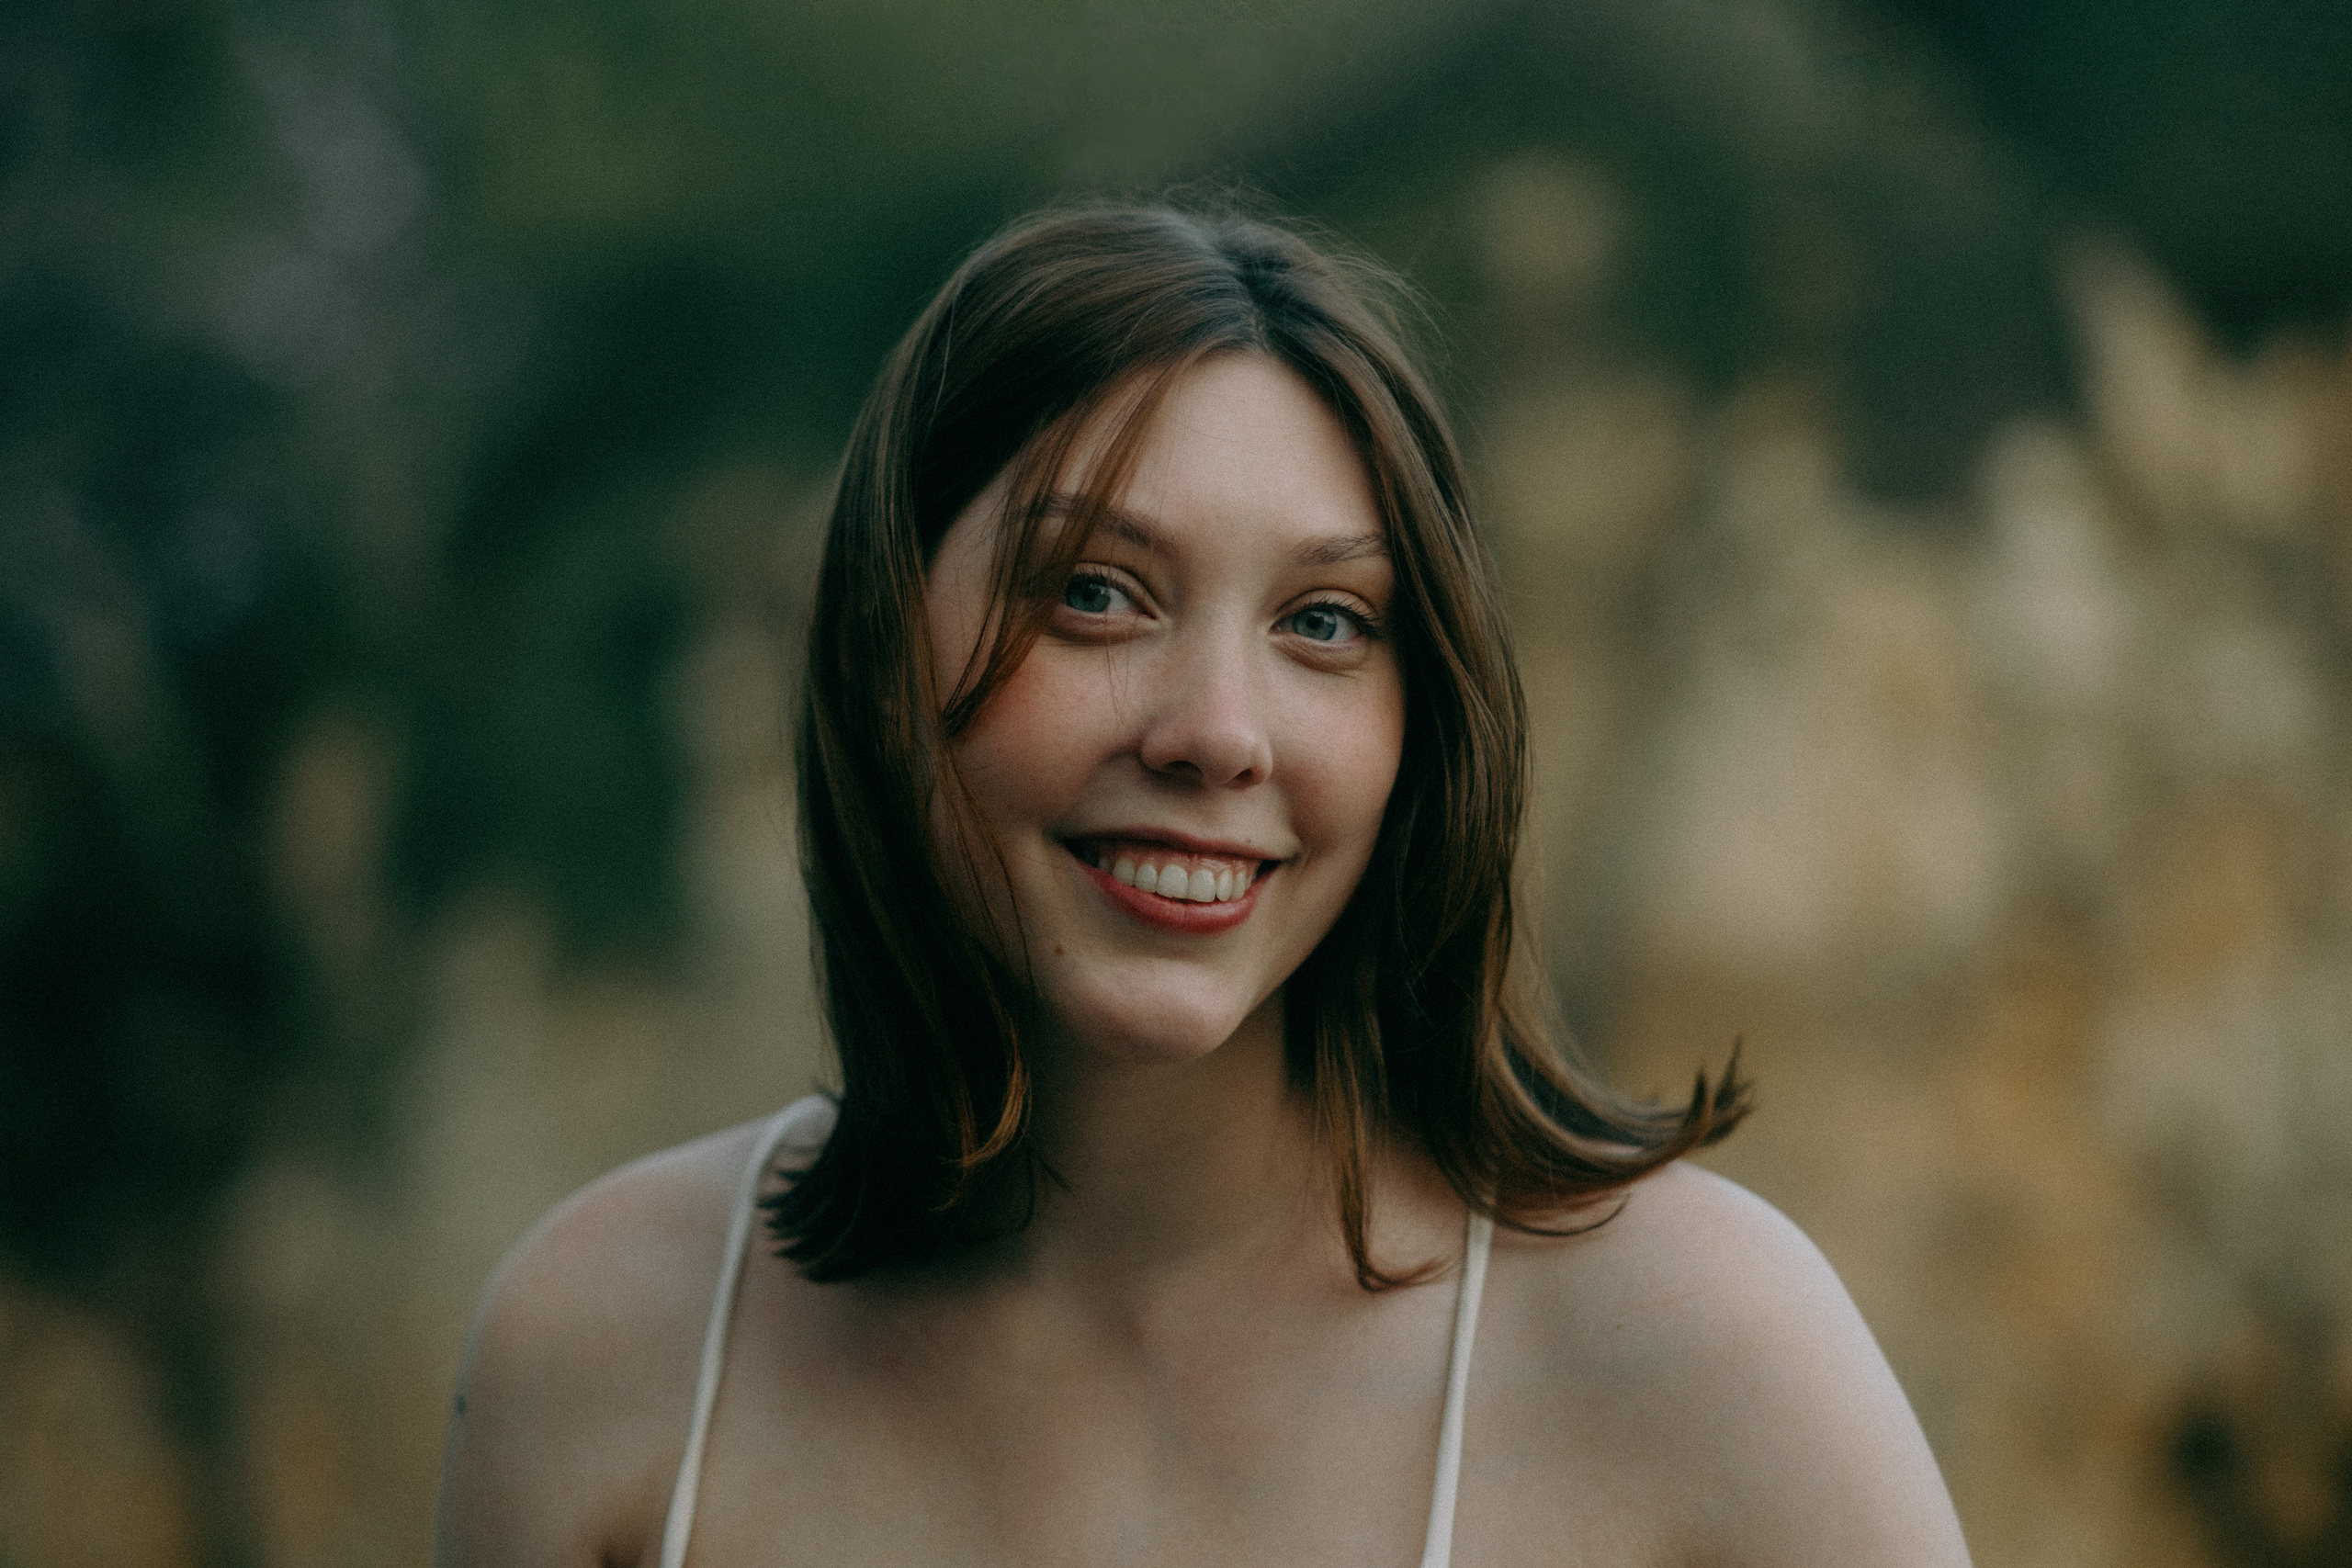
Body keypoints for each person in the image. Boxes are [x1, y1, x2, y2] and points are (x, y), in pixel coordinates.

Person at [434, 204, 1973, 1568]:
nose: (1217, 735)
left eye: (1323, 623)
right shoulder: (610, 1345)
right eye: (1095, 595)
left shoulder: (1700, 1350)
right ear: (881, 649)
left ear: (1418, 718)